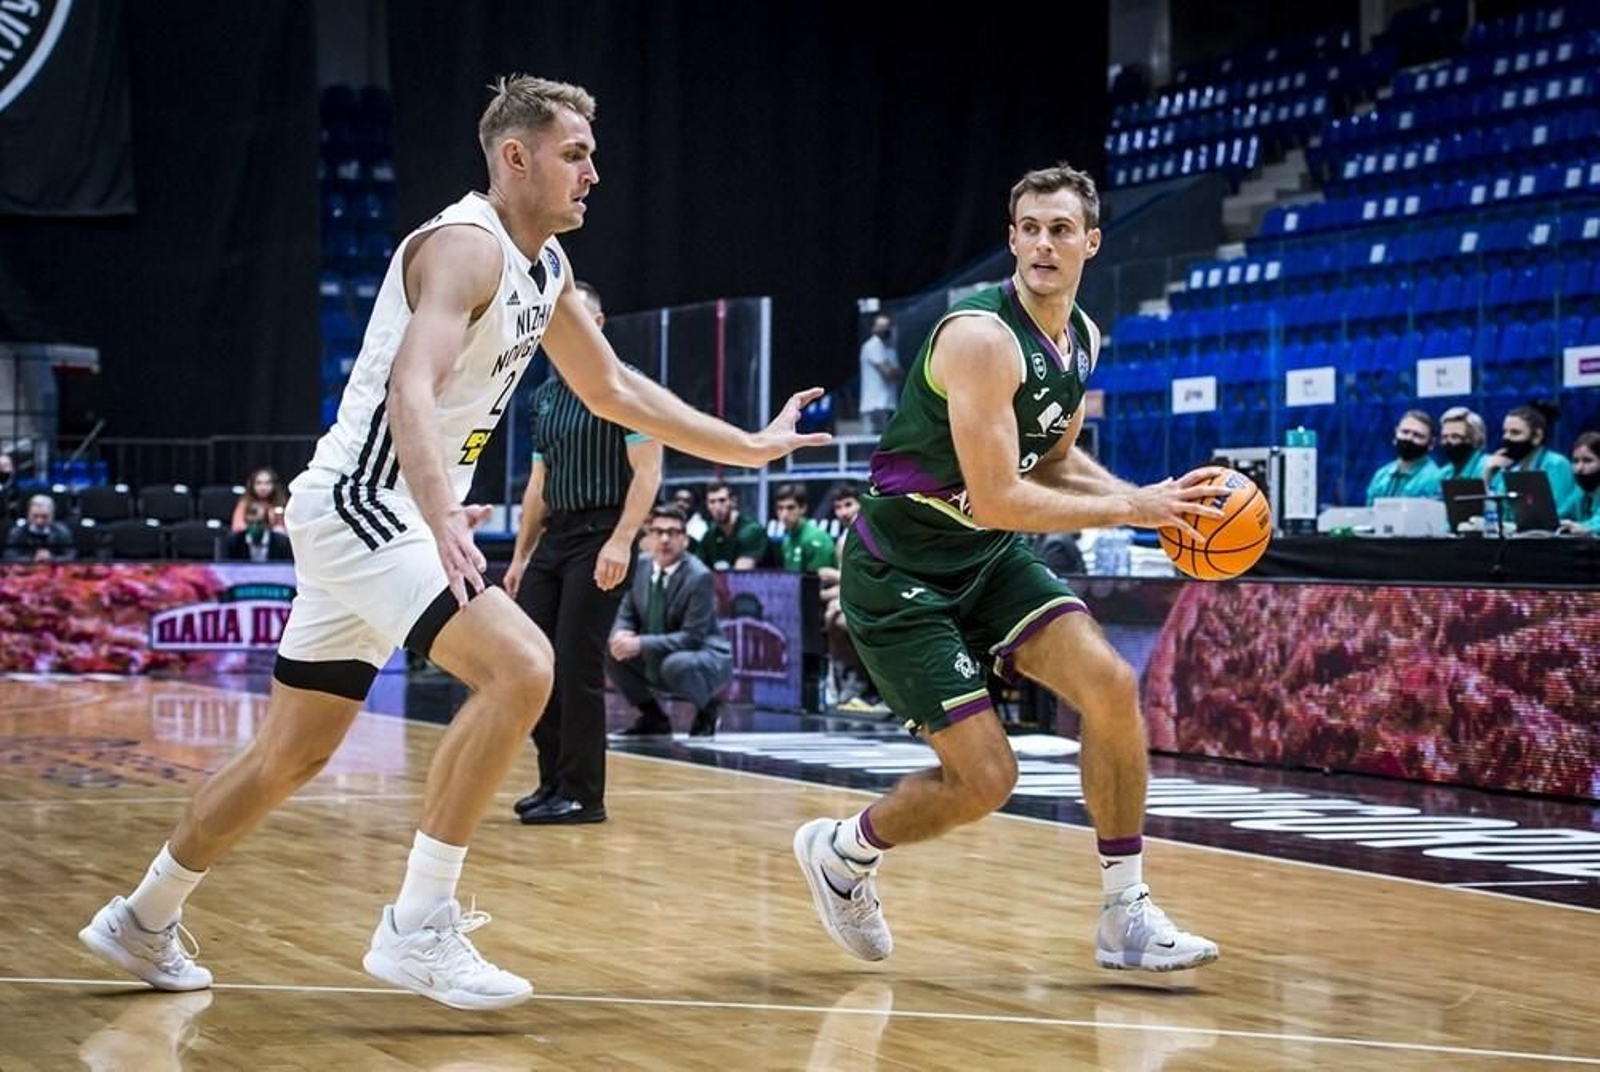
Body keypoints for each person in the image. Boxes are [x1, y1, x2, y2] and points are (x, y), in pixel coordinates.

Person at [78, 74, 826, 1011]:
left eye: (593, 153)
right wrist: (437, 514)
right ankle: (418, 925)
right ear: (516, 159)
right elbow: (411, 390)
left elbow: (618, 394)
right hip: (368, 504)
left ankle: (141, 916)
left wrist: (750, 444)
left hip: (366, 518)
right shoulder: (465, 248)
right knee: (522, 665)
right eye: (575, 154)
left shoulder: (544, 268)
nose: (594, 172)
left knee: (292, 756)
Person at [793, 163, 1225, 973]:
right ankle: (844, 853)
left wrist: (1141, 498)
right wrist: (1135, 510)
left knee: (1109, 684)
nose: (1041, 244)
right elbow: (997, 496)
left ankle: (1124, 910)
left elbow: (1053, 462)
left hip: (985, 558)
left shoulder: (1082, 337)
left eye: (1060, 229)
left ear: (1091, 241)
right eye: (1028, 228)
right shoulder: (982, 338)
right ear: (1012, 240)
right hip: (902, 572)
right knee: (988, 779)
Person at [505, 280, 662, 827]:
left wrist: (622, 540)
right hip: (555, 537)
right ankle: (552, 781)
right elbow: (537, 484)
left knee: (576, 663)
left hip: (603, 531)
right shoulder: (545, 397)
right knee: (534, 663)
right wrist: (523, 555)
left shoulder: (629, 386)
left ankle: (584, 793)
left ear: (596, 324)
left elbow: (649, 473)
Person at [607, 504, 733, 737]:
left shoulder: (699, 576)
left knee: (675, 665)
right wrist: (621, 634)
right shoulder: (639, 567)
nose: (664, 539)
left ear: (685, 539)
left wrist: (640, 644)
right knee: (612, 650)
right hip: (661, 650)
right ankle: (654, 718)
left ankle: (708, 709)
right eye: (658, 532)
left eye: (673, 533)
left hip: (704, 656)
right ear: (649, 536)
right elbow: (626, 614)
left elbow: (692, 637)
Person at [1483, 402, 1576, 523]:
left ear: (1537, 436)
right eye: (1504, 432)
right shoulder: (1508, 468)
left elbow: (1558, 512)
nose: (1506, 438)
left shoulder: (1556, 464)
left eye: (1515, 433)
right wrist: (1488, 475)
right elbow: (1491, 515)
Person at [1364, 410, 1443, 505]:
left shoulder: (1435, 479)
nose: (1409, 438)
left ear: (1431, 444)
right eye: (1405, 432)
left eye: (1418, 435)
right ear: (1396, 433)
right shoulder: (1381, 475)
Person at [698, 480, 767, 569]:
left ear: (733, 501)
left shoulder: (752, 530)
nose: (717, 507)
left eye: (722, 500)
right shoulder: (710, 534)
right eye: (712, 502)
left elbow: (739, 576)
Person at [774, 482, 836, 572]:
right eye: (780, 508)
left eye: (790, 508)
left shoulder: (816, 538)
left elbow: (817, 582)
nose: (784, 514)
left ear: (803, 508)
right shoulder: (787, 541)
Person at [858, 313, 901, 434]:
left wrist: (892, 372)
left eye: (886, 326)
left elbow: (899, 377)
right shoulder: (872, 346)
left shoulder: (890, 349)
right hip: (875, 406)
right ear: (873, 328)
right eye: (880, 326)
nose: (883, 330)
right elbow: (888, 373)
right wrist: (892, 372)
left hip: (889, 405)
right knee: (874, 447)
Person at [3, 493, 75, 562]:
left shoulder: (62, 531)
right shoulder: (17, 532)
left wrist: (52, 558)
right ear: (28, 514)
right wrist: (32, 559)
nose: (39, 521)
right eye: (35, 516)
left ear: (52, 515)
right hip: (26, 571)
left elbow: (71, 555)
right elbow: (9, 555)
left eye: (44, 517)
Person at [1559, 431, 1599, 536]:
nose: (1579, 468)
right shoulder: (1580, 491)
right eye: (1575, 461)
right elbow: (1561, 514)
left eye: (1587, 461)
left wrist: (1584, 528)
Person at [225, 501, 293, 561]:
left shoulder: (282, 542)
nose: (254, 527)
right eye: (250, 523)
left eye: (259, 523)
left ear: (267, 524)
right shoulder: (234, 541)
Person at [1437, 406, 1489, 482]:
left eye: (1455, 437)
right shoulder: (1444, 473)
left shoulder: (1489, 467)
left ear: (1474, 438)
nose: (1448, 442)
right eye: (1444, 437)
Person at [230, 467, 288, 534]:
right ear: (252, 485)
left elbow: (285, 527)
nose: (263, 487)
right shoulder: (245, 502)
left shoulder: (280, 502)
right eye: (259, 483)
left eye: (267, 483)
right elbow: (237, 526)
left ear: (274, 485)